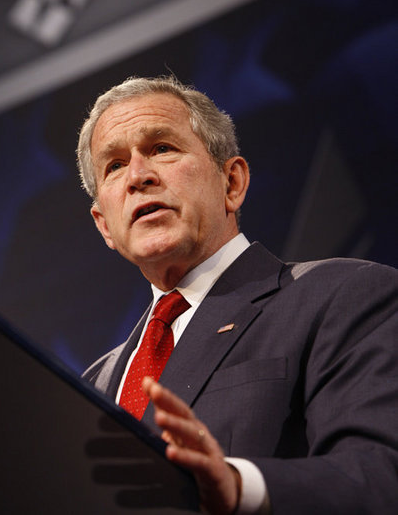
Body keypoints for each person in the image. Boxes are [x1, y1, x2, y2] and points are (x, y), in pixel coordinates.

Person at [77, 75, 398, 514]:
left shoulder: (341, 296)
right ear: (104, 226)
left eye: (162, 148)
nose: (137, 176)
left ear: (232, 183)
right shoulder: (93, 384)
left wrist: (238, 486)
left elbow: (380, 476)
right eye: (113, 165)